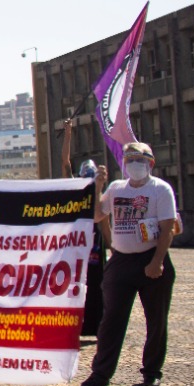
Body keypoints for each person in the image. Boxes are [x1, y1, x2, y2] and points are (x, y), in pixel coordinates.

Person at [80, 142, 178, 386]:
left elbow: (168, 229)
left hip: (152, 258)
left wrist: (157, 262)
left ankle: (152, 371)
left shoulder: (161, 190)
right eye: (130, 160)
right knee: (111, 320)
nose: (135, 165)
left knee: (156, 321)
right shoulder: (115, 188)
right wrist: (99, 186)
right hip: (121, 260)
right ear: (123, 165)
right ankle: (101, 373)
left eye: (140, 160)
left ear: (150, 164)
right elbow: (96, 216)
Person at [60, 118, 108, 337]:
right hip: (78, 247)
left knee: (98, 287)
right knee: (77, 287)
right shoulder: (74, 192)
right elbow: (65, 163)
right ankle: (78, 324)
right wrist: (68, 134)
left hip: (96, 248)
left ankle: (97, 325)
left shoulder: (99, 194)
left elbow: (104, 220)